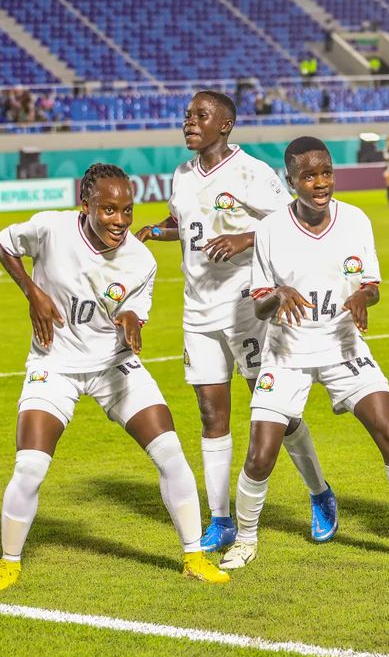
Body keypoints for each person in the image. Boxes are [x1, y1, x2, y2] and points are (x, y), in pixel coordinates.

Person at [0, 164, 230, 591]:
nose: (120, 221)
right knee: (30, 467)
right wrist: (32, 292)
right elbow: (3, 245)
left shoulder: (141, 260)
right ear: (86, 205)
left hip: (114, 366)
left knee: (171, 453)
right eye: (109, 210)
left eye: (127, 210)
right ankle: (9, 563)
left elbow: (134, 309)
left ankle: (194, 557)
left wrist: (132, 319)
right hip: (54, 365)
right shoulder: (51, 229)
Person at [219, 136, 389, 570]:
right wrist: (278, 294)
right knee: (261, 454)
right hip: (287, 351)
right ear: (291, 181)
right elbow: (260, 303)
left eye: (326, 173)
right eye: (309, 176)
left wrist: (363, 297)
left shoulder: (356, 220)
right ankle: (245, 541)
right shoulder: (270, 230)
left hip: (343, 345)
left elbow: (371, 285)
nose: (320, 182)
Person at [137, 91, 336, 553]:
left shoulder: (252, 172)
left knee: (277, 412)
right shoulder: (182, 174)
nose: (189, 122)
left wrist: (245, 238)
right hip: (197, 310)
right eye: (187, 115)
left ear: (225, 124)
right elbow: (190, 223)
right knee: (212, 416)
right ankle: (222, 520)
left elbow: (295, 218)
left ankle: (319, 491)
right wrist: (158, 230)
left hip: (248, 308)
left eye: (200, 116)